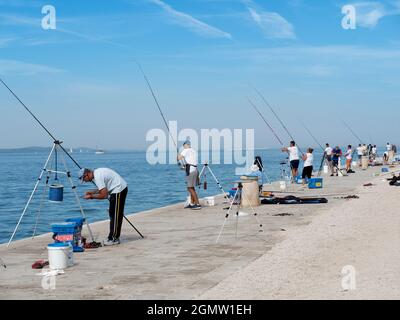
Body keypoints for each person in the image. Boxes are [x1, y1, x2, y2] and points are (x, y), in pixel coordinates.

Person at [79, 167, 128, 246]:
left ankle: (114, 239)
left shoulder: (98, 177)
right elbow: (103, 189)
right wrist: (92, 192)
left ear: (86, 175)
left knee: (116, 215)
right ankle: (112, 237)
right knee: (113, 214)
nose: (85, 181)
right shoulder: (97, 174)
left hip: (119, 189)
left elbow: (104, 195)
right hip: (115, 190)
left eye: (84, 179)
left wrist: (91, 197)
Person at [177, 140, 201, 210]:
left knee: (189, 188)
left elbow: (178, 158)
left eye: (184, 146)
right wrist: (185, 167)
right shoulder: (193, 151)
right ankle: (192, 203)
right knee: (192, 187)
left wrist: (178, 155)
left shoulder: (186, 150)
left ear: (186, 145)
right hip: (195, 170)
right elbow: (191, 161)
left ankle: (197, 204)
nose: (183, 147)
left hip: (191, 171)